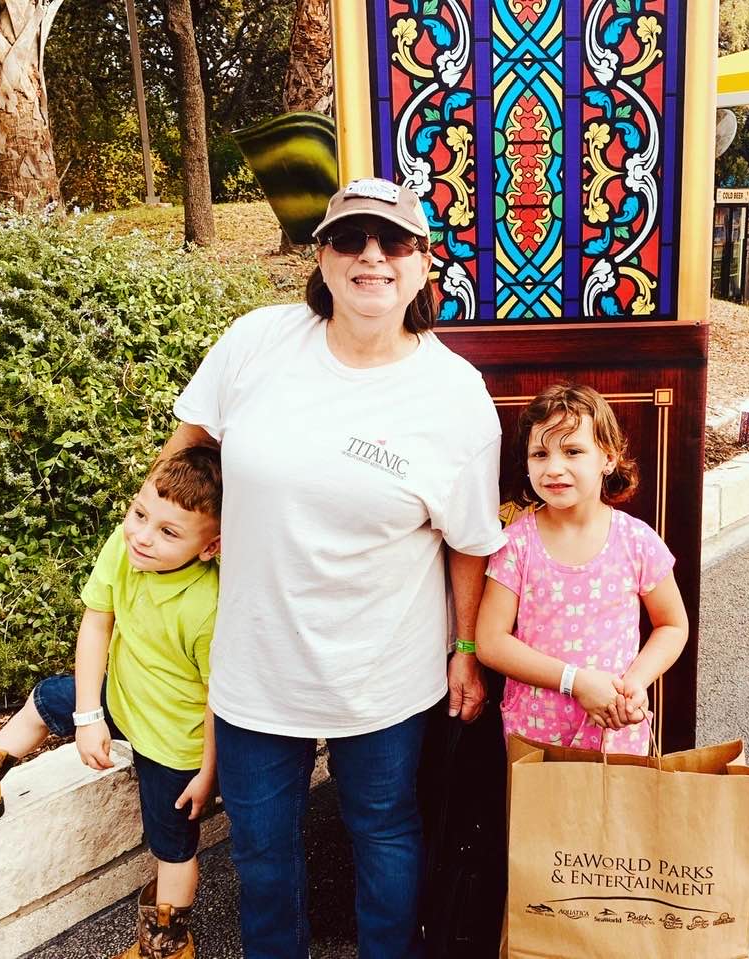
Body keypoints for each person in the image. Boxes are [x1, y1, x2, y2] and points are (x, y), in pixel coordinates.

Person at [160, 177, 506, 959]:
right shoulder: (258, 341)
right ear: (322, 258)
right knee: (261, 854)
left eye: (393, 242)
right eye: (350, 239)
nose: (371, 256)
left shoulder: (455, 395)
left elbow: (470, 540)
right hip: (257, 664)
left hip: (382, 669)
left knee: (384, 832)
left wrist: (464, 652)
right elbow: (187, 453)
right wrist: (153, 550)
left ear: (423, 265)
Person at [0, 447, 222, 959]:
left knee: (172, 846)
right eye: (140, 514)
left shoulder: (208, 608)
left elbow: (218, 701)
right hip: (122, 695)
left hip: (176, 743)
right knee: (49, 697)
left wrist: (208, 771)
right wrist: (89, 714)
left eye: (169, 532)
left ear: (211, 547)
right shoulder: (125, 547)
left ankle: (168, 945)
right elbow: (97, 621)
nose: (141, 536)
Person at [475, 384, 688, 754]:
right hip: (535, 735)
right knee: (542, 815)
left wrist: (636, 683)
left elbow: (672, 625)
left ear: (608, 457)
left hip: (616, 729)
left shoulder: (637, 541)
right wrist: (575, 682)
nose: (554, 468)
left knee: (617, 813)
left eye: (573, 451)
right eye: (540, 454)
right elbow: (491, 642)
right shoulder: (515, 545)